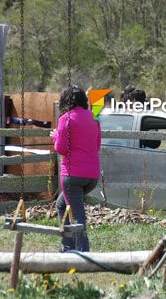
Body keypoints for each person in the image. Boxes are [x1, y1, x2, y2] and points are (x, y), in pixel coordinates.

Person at [52, 85, 101, 252]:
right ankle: (67, 246)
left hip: (72, 176)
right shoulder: (94, 117)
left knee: (78, 216)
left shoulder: (65, 118)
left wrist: (56, 136)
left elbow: (61, 149)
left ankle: (83, 252)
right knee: (61, 205)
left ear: (65, 101)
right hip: (92, 177)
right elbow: (97, 145)